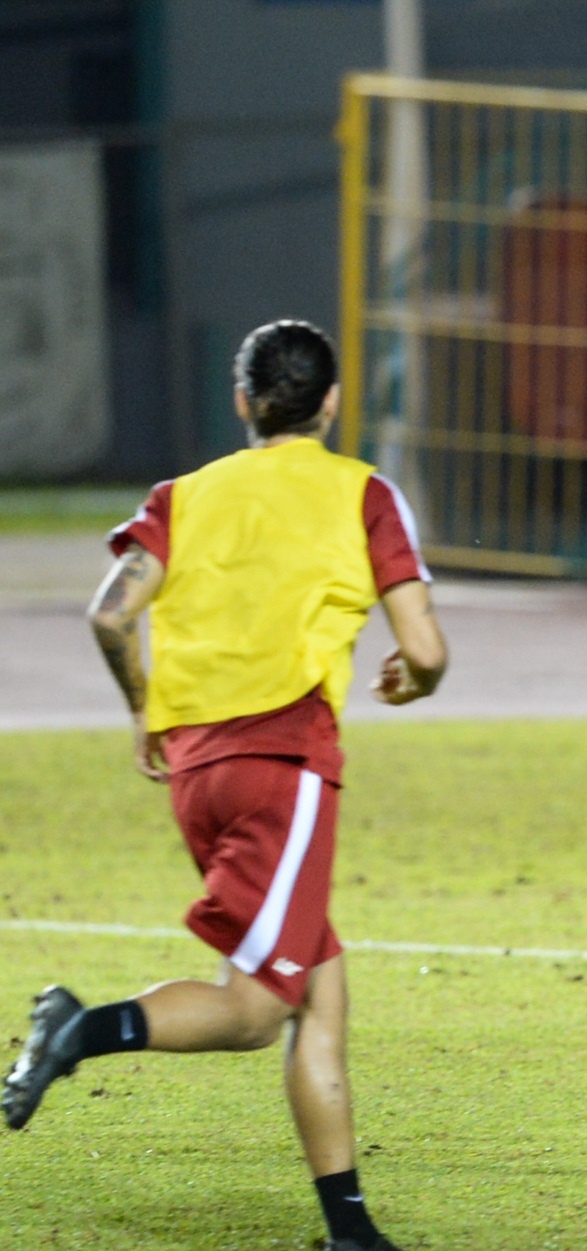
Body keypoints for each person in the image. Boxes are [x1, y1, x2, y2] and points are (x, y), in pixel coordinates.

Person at [2, 321, 447, 1251]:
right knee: (253, 1011)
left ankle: (351, 1230)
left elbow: (111, 613)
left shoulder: (183, 495)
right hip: (282, 767)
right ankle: (79, 1030)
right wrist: (416, 679)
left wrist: (143, 709)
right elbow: (427, 649)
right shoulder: (364, 492)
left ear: (243, 401)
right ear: (332, 402)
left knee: (321, 993)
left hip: (197, 770)